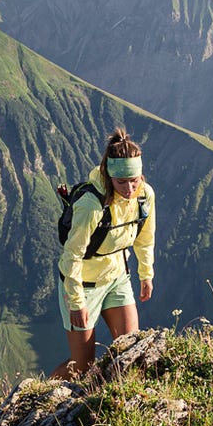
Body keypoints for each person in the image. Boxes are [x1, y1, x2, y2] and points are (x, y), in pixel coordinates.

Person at [54, 128, 157, 380]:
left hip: (117, 278)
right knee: (82, 365)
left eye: (134, 180)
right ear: (108, 175)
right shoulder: (91, 206)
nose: (130, 188)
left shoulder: (145, 196)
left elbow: (145, 238)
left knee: (130, 351)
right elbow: (72, 256)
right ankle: (38, 397)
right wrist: (76, 301)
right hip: (83, 284)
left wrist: (146, 274)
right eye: (121, 182)